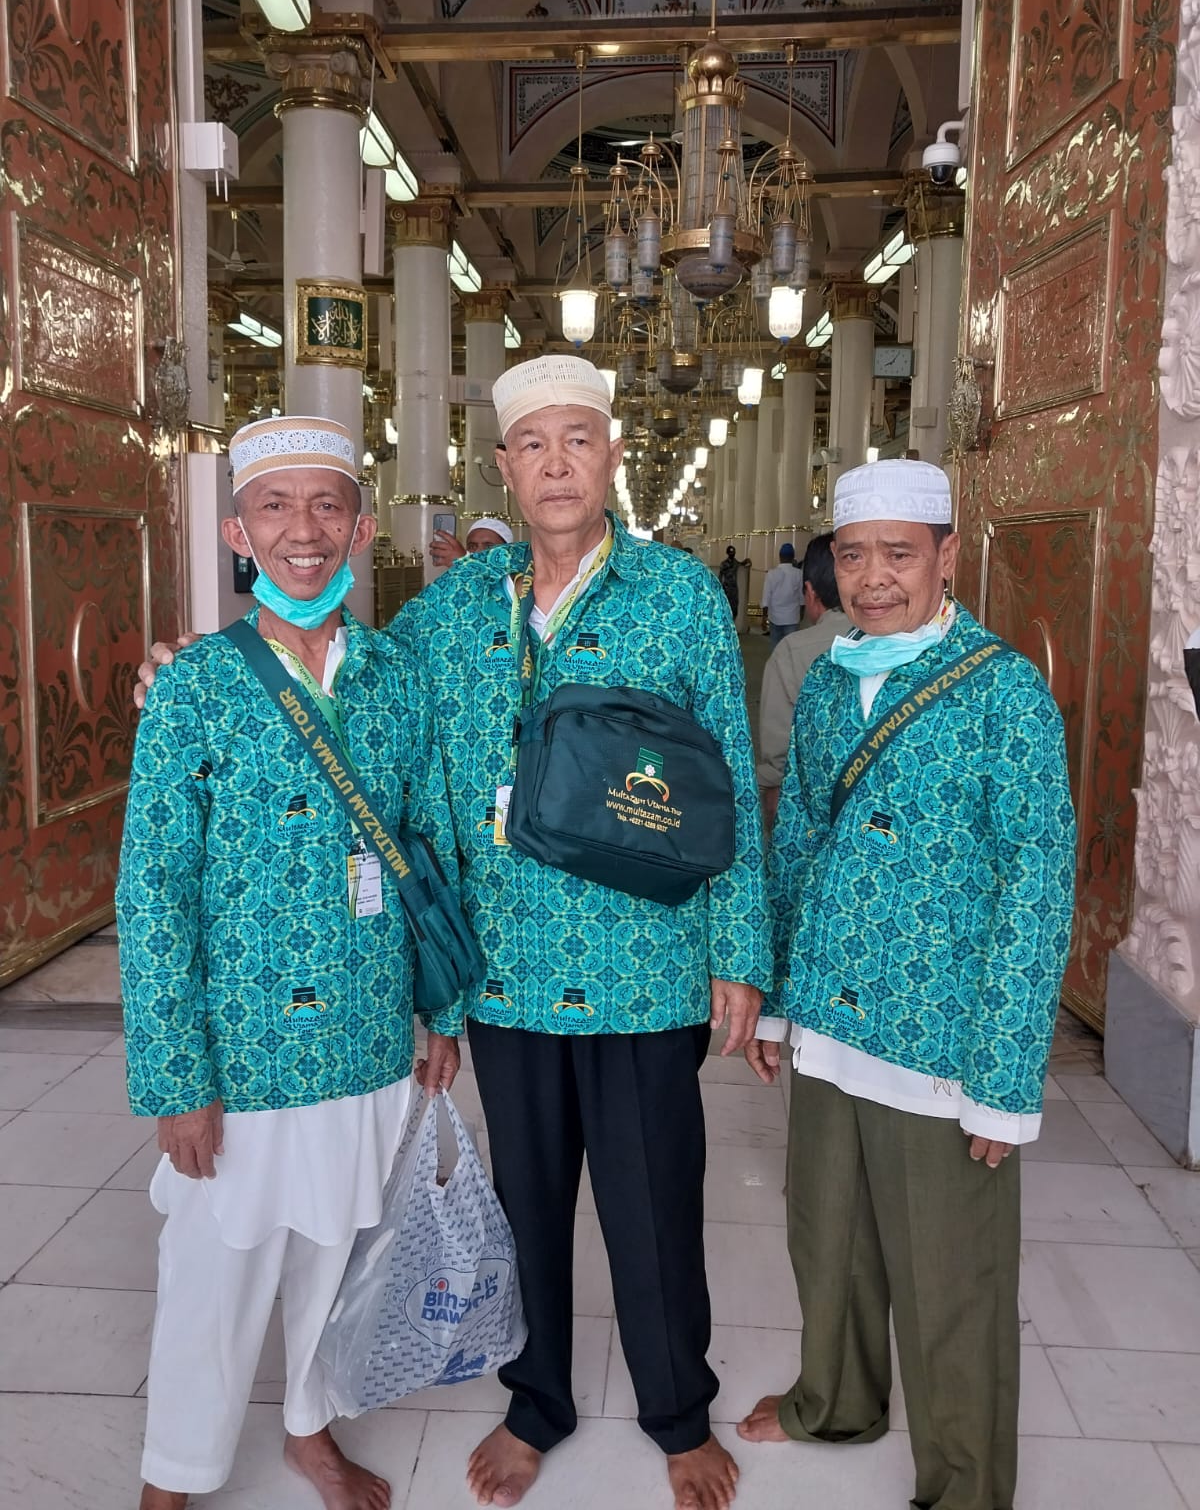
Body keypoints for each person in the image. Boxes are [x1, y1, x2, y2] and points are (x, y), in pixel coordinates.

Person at [390, 355, 769, 1510]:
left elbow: (731, 781)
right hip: (506, 972)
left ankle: (678, 1410)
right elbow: (354, 690)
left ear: (612, 456)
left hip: (645, 963)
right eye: (533, 445)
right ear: (502, 468)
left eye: (578, 441)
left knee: (654, 1204)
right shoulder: (455, 606)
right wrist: (212, 662)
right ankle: (537, 1400)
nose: (556, 465)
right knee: (527, 1201)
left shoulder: (677, 594)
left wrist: (739, 951)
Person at [120, 416, 462, 1510]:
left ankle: (311, 1428)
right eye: (274, 506)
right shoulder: (196, 687)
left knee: (337, 1251)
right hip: (244, 1045)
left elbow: (428, 846)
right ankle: (175, 1474)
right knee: (214, 1271)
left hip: (366, 1031)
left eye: (326, 505)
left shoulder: (397, 677)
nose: (301, 530)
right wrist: (178, 1078)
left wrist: (441, 1011)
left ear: (361, 528)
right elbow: (153, 892)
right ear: (239, 532)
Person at [737, 459, 1076, 1510]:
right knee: (827, 1239)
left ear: (947, 557)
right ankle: (835, 1401)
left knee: (950, 1277)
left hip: (941, 1040)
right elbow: (797, 843)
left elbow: (1037, 887)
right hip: (830, 1016)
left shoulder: (1005, 692)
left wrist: (1005, 1080)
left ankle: (965, 1484)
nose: (874, 578)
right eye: (854, 555)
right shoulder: (829, 679)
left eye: (898, 553)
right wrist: (778, 999)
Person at [756, 533, 852, 827]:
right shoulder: (902, 644)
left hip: (811, 813)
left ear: (809, 592)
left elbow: (778, 759)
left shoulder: (792, 654)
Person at [760, 543, 805, 650]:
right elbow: (802, 597)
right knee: (791, 649)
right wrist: (801, 614)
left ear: (780, 556)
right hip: (792, 618)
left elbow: (766, 598)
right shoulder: (799, 574)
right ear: (793, 557)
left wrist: (764, 618)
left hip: (775, 618)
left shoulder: (771, 574)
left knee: (776, 649)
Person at [431, 515, 514, 567]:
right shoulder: (457, 575)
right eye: (472, 546)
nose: (478, 551)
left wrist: (463, 563)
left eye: (489, 546)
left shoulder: (515, 579)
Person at [717, 544, 746, 617]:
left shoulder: (736, 562)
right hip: (726, 588)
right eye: (730, 552)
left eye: (733, 552)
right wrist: (720, 587)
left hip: (734, 589)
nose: (732, 554)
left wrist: (747, 561)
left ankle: (733, 620)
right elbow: (720, 576)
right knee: (726, 606)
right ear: (727, 553)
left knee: (735, 607)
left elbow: (742, 564)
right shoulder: (724, 564)